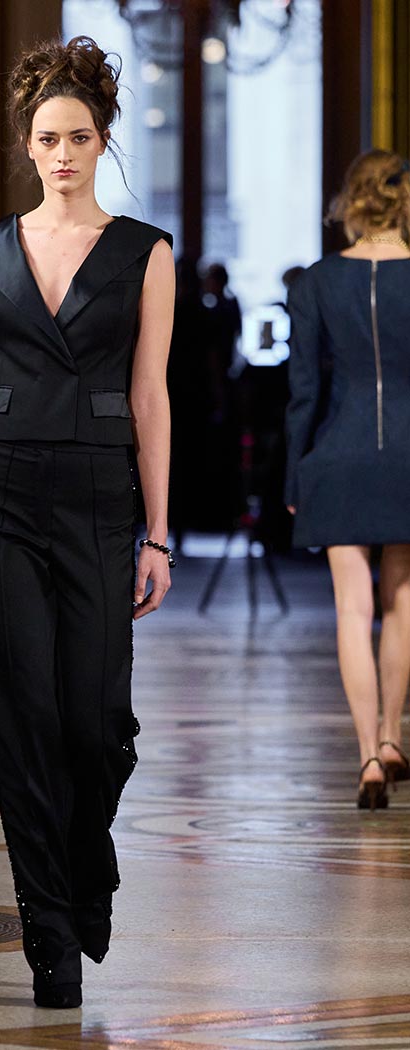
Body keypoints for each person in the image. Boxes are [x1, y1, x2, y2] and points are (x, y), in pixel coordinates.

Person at [0, 36, 174, 1009]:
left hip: (100, 496)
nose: (63, 153)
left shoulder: (144, 252)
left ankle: (87, 868)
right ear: (27, 145)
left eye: (78, 136)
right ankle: (51, 932)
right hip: (0, 494)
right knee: (21, 714)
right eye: (47, 138)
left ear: (102, 139)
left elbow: (151, 394)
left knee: (98, 721)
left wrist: (159, 533)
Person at [285, 149, 410, 811]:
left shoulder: (316, 282)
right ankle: (392, 737)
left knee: (352, 610)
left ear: (351, 202)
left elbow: (303, 391)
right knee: (402, 603)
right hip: (407, 455)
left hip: (338, 453)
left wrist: (293, 473)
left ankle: (366, 756)